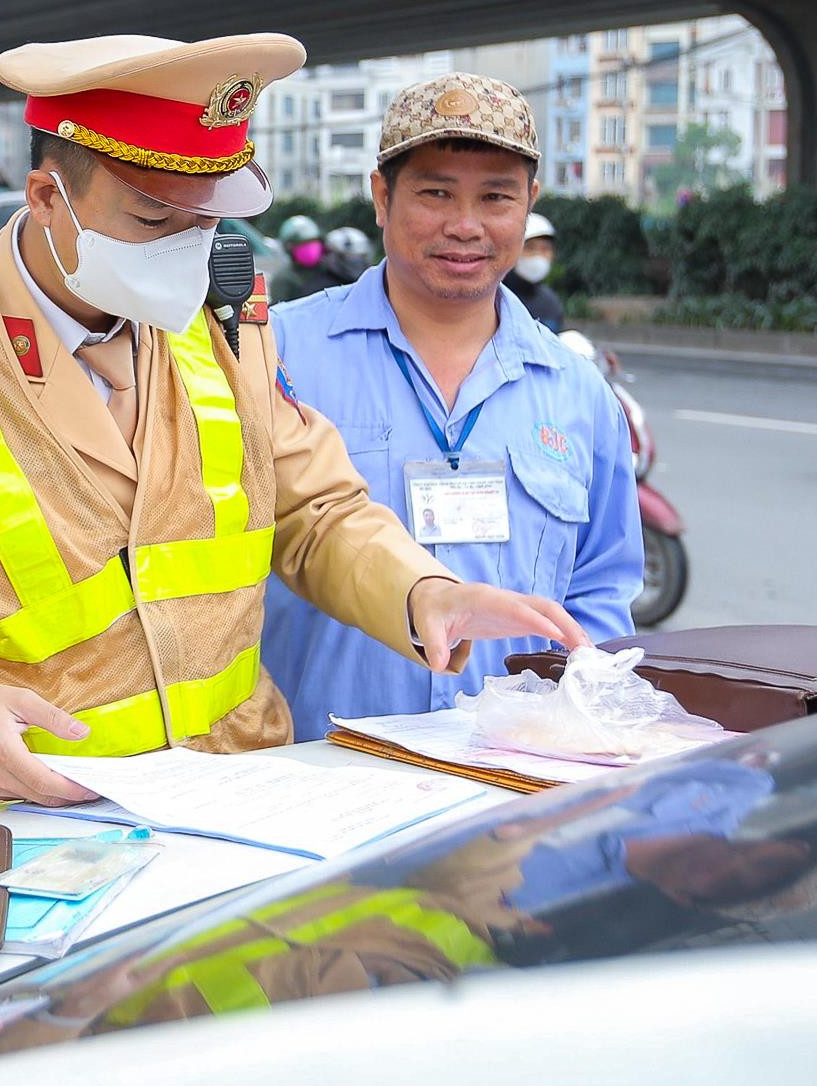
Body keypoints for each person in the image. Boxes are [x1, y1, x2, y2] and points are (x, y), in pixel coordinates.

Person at [0, 36, 589, 822]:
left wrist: (425, 594)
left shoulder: (225, 322)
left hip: (234, 809)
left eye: (208, 219)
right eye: (155, 222)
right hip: (25, 830)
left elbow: (316, 511)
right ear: (49, 199)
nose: (189, 251)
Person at [260, 73, 642, 727]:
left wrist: (577, 727)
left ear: (529, 205)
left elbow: (602, 590)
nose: (465, 226)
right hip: (318, 773)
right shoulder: (275, 353)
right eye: (435, 194)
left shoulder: (578, 392)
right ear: (381, 197)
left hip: (513, 779)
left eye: (496, 198)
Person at [505, 210, 564, 332]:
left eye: (545, 249)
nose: (538, 255)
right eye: (530, 248)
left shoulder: (550, 302)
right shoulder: (493, 298)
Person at [270, 213, 343, 302]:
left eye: (313, 242)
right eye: (303, 244)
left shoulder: (332, 269)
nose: (310, 248)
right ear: (289, 248)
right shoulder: (284, 279)